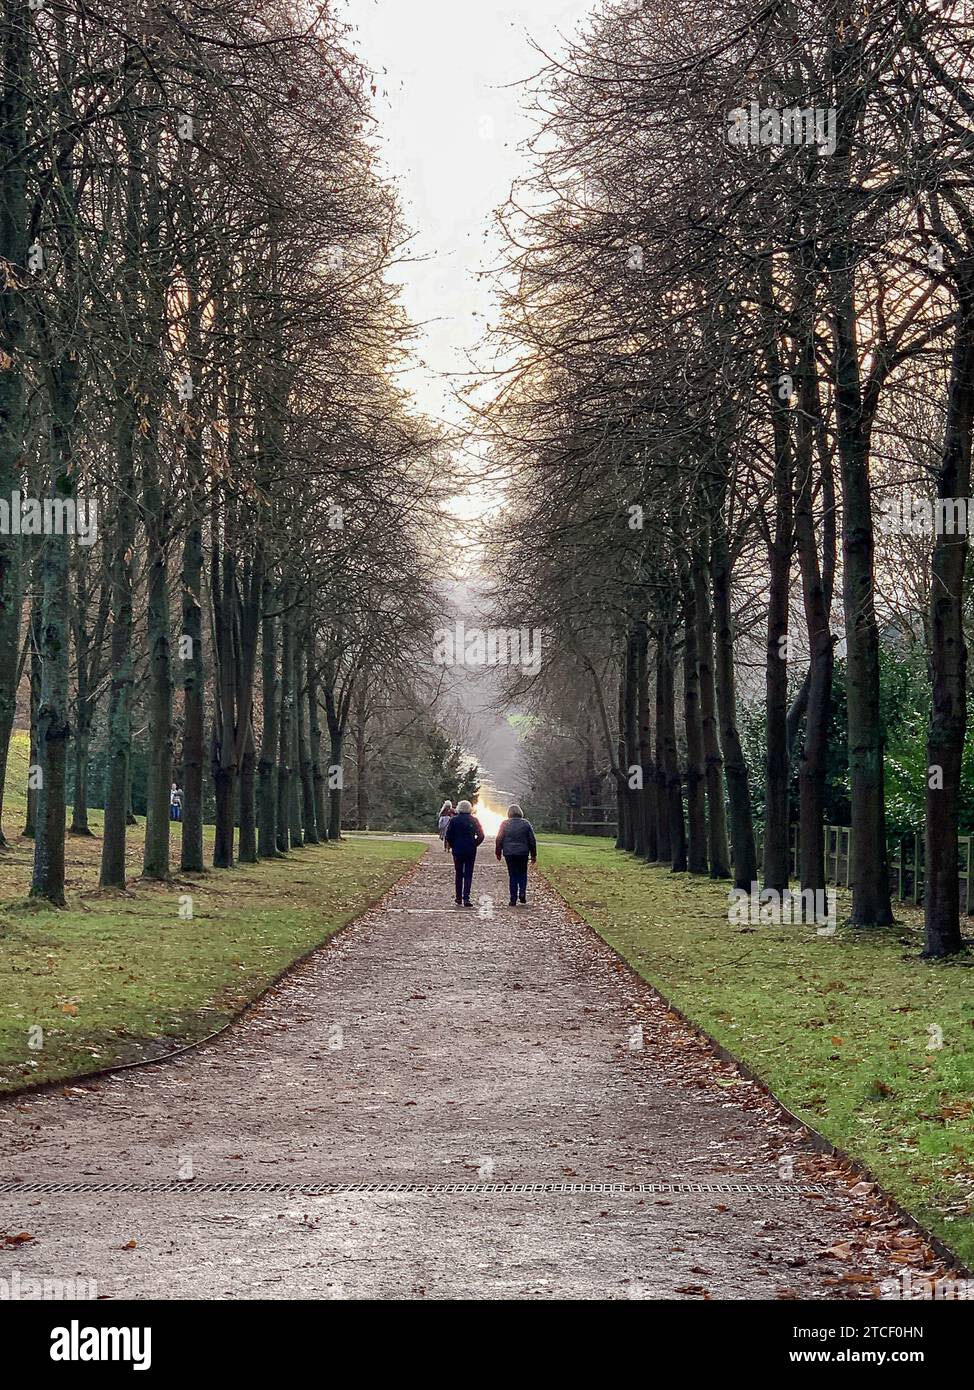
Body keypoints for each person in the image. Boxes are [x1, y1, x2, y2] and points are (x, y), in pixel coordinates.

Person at [444, 799, 484, 907]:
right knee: (468, 874)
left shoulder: (454, 820)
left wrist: (453, 845)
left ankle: (458, 897)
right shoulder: (474, 820)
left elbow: (448, 836)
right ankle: (466, 898)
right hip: (470, 849)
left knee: (458, 873)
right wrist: (474, 843)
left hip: (458, 849)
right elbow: (481, 835)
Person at [495, 804, 537, 906]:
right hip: (523, 852)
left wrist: (498, 851)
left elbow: (499, 838)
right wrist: (533, 854)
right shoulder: (526, 824)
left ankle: (513, 898)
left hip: (509, 853)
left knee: (512, 875)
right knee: (522, 873)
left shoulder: (505, 824)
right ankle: (522, 892)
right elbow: (532, 840)